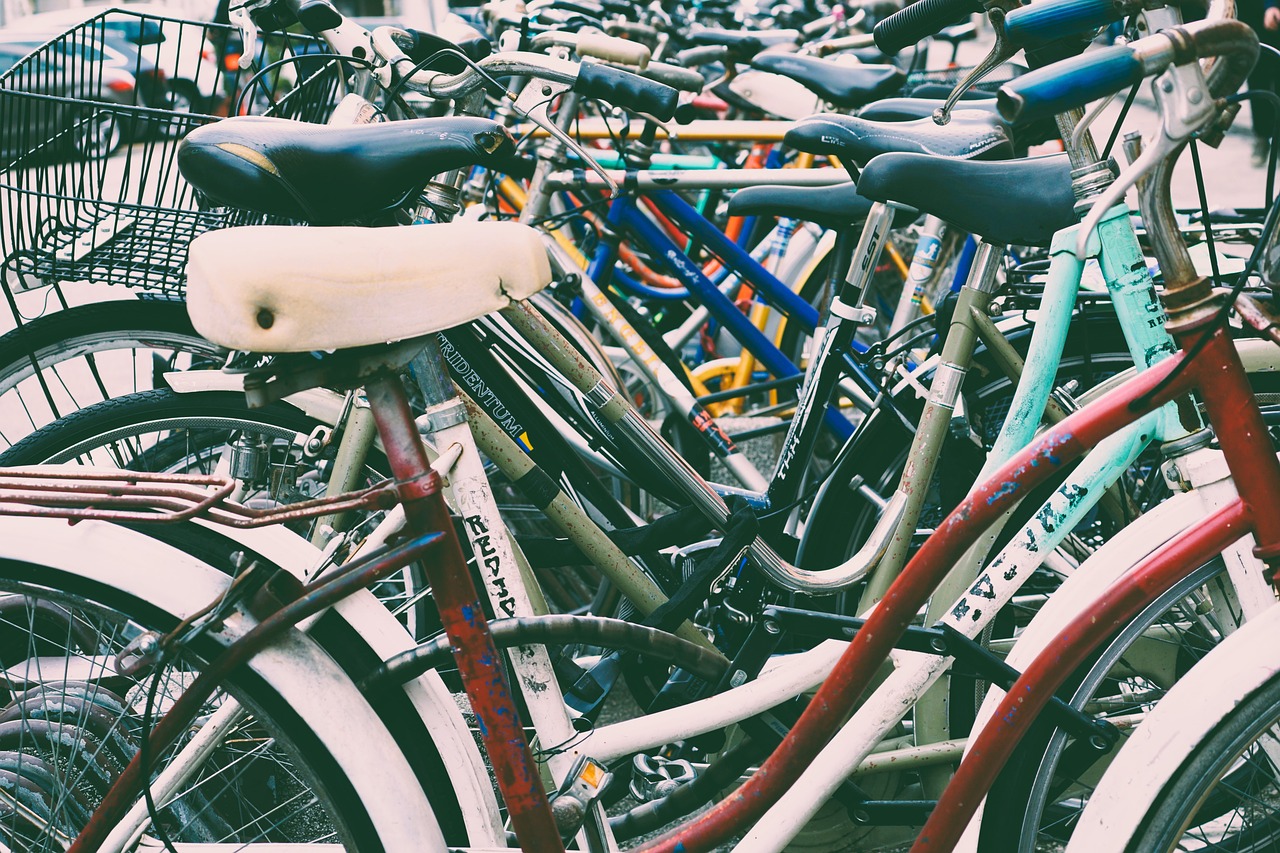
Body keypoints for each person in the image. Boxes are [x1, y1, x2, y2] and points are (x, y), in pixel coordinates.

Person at [1240, 0, 1280, 166]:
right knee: (1257, 76)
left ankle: (1276, 141)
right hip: (1250, 14)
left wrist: (1272, 5)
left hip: (1270, 11)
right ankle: (1261, 137)